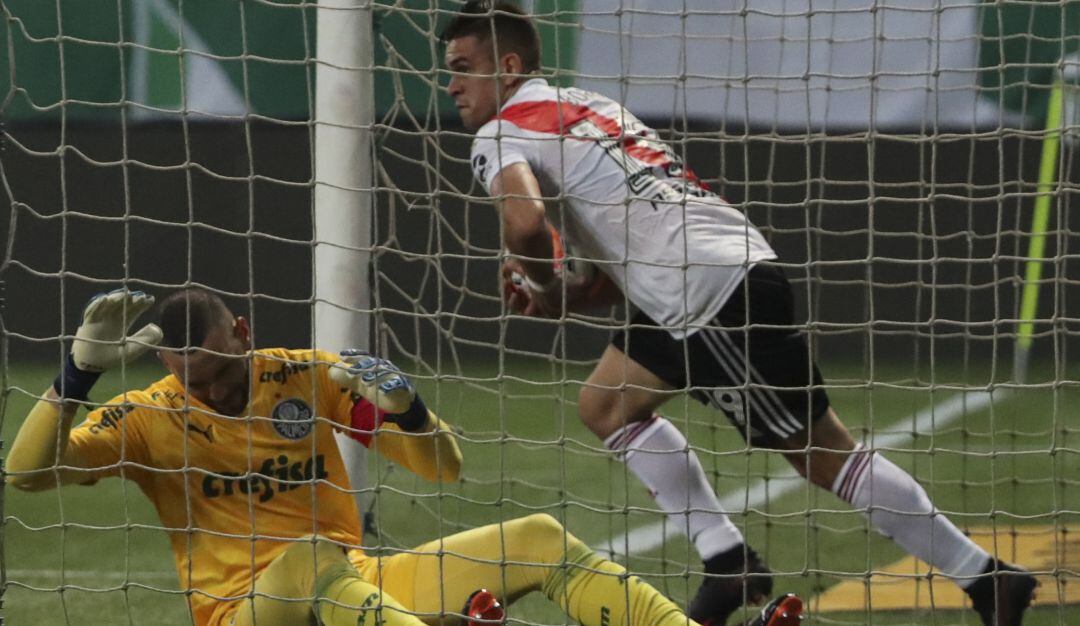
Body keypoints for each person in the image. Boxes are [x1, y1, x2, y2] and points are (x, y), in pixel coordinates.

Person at [441, 3, 1038, 625]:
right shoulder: (589, 106)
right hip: (715, 270)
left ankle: (985, 578)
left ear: (509, 67)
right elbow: (633, 250)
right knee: (606, 404)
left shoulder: (501, 133)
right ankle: (727, 563)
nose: (453, 85)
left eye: (463, 67)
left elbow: (525, 224)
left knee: (820, 453)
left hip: (707, 297)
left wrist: (541, 280)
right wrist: (565, 295)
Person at [7, 288, 802, 626]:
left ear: (243, 334)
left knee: (538, 538)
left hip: (352, 589)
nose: (208, 391)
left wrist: (408, 409)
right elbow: (25, 475)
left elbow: (441, 466)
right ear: (165, 367)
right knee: (310, 556)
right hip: (244, 612)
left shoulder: (308, 377)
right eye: (193, 380)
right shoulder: (146, 417)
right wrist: (75, 376)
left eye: (217, 373)